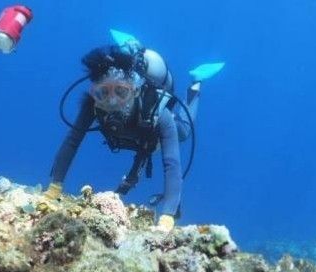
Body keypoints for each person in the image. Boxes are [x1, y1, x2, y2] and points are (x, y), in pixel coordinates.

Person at [45, 33, 220, 231]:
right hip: (139, 136)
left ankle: (196, 83)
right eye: (103, 93)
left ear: (135, 90)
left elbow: (172, 163)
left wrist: (167, 216)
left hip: (151, 135)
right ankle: (131, 48)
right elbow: (72, 141)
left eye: (121, 92)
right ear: (95, 93)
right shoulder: (93, 106)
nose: (112, 102)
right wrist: (54, 188)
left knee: (184, 131)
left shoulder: (157, 113)